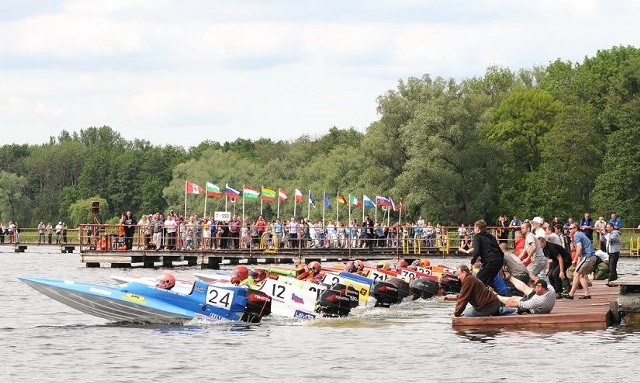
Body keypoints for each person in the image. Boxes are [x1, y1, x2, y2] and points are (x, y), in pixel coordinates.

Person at [564, 223, 597, 299]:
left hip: (588, 256)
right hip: (591, 257)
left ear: (576, 228)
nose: (569, 230)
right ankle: (587, 294)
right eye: (569, 229)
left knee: (576, 274)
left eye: (571, 228)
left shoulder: (577, 236)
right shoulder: (581, 234)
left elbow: (579, 248)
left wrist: (574, 260)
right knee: (581, 275)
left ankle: (571, 294)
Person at [469, 219, 504, 285]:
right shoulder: (491, 237)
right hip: (498, 262)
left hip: (490, 262)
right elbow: (501, 252)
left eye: (474, 228)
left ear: (477, 228)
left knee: (478, 280)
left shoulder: (477, 237)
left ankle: (478, 294)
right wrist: (501, 263)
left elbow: (476, 251)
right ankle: (489, 294)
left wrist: (472, 263)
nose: (474, 230)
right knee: (487, 282)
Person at [538, 233, 572, 298]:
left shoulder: (551, 247)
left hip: (565, 260)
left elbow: (560, 258)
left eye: (540, 244)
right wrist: (548, 269)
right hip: (556, 261)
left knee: (555, 274)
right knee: (550, 275)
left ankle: (560, 291)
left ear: (544, 242)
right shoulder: (544, 249)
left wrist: (561, 271)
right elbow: (549, 259)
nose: (539, 246)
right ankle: (555, 291)